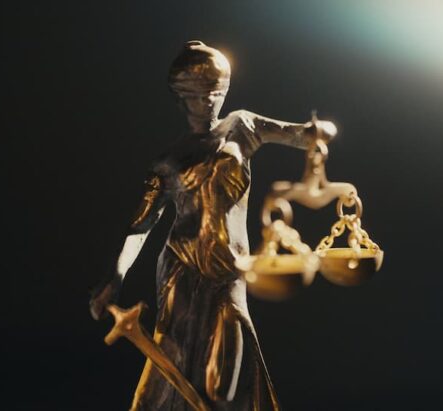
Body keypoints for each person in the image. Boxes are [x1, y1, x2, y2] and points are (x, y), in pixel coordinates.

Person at [89, 40, 335, 411]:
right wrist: (116, 277)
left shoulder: (242, 126)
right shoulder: (169, 161)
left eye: (217, 93)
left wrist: (319, 132)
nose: (210, 102)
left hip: (231, 269)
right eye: (200, 96)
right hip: (182, 269)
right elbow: (140, 226)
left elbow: (300, 134)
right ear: (182, 97)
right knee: (174, 362)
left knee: (223, 384)